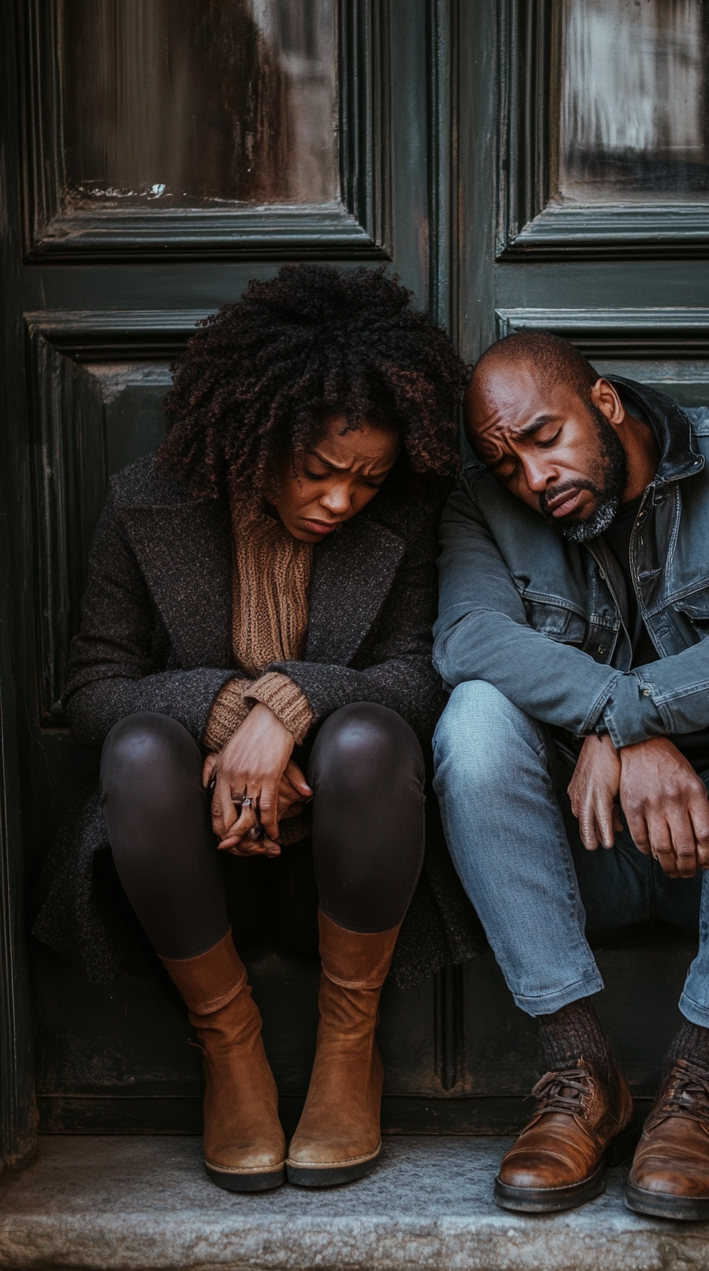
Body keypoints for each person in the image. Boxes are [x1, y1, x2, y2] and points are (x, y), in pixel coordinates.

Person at [34, 264, 482, 1193]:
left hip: (347, 855)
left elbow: (424, 673)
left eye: (369, 479)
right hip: (191, 865)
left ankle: (347, 1050)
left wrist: (289, 704)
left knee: (370, 733)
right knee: (137, 743)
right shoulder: (143, 502)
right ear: (258, 437)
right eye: (320, 471)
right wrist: (229, 710)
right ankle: (229, 1047)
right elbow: (92, 687)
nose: (343, 501)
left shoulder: (404, 518)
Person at [432, 331, 709, 1221]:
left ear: (605, 404)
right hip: (588, 862)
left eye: (546, 437)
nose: (534, 480)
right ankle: (578, 1070)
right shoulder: (479, 510)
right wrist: (615, 722)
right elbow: (468, 638)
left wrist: (628, 716)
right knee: (472, 717)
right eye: (508, 465)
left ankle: (702, 1083)